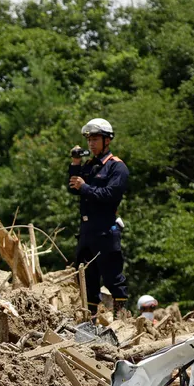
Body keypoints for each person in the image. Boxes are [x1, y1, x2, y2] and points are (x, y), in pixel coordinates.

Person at [68, 118, 129, 314]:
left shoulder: (116, 167)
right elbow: (74, 189)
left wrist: (85, 186)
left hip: (105, 231)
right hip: (87, 232)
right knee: (87, 280)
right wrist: (75, 164)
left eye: (95, 139)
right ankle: (89, 322)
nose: (91, 144)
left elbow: (110, 196)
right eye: (89, 140)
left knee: (113, 278)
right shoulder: (89, 165)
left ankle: (122, 319)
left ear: (107, 140)